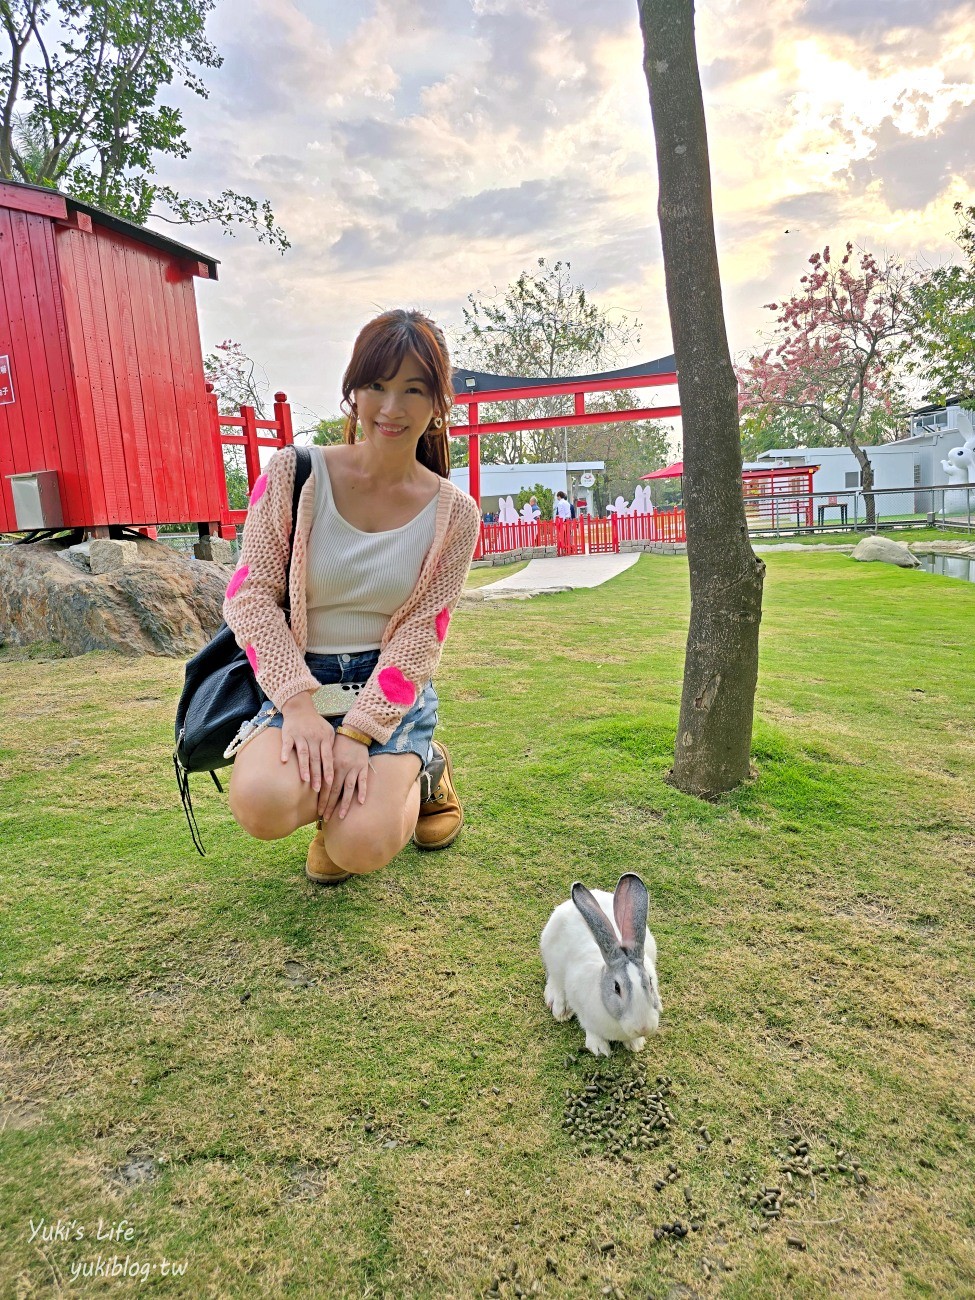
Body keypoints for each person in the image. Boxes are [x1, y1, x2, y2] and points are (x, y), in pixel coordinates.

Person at [222, 309, 481, 886]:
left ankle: (424, 768)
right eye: (376, 386)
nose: (391, 408)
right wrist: (298, 708)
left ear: (438, 404)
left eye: (413, 390)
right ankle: (337, 806)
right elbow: (250, 597)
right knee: (263, 803)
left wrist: (359, 734)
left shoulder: (454, 514)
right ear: (353, 392)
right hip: (300, 675)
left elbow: (421, 633)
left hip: (387, 683)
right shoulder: (293, 474)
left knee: (360, 846)